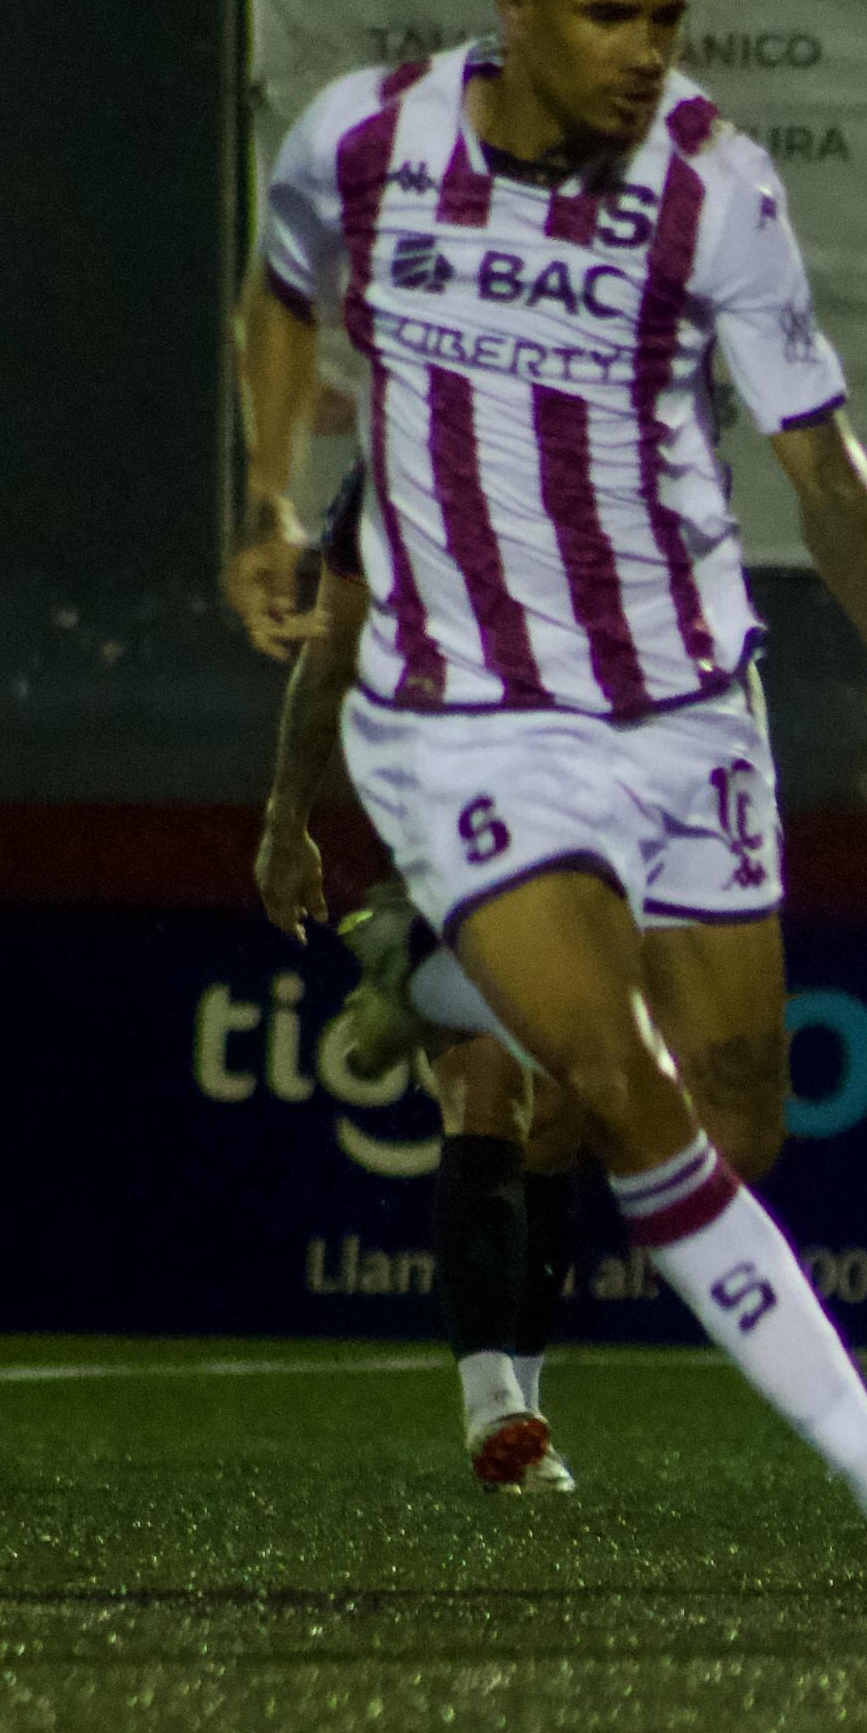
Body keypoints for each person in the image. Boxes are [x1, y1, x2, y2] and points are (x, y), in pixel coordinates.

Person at [224, 0, 867, 1628]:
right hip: (467, 716)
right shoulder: (366, 140)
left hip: (685, 696)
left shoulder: (716, 185)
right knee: (624, 1088)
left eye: (665, 17)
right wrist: (268, 497)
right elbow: (280, 295)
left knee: (742, 1112)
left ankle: (432, 978)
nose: (646, 50)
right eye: (608, 15)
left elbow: (816, 449)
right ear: (516, 8)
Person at [254, 467, 598, 1494]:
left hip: (582, 813)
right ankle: (494, 1402)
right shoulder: (387, 484)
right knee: (486, 1083)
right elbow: (330, 655)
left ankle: (524, 1403)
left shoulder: (609, 463)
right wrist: (285, 820)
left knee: (559, 1116)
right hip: (443, 811)